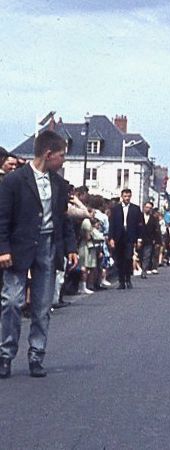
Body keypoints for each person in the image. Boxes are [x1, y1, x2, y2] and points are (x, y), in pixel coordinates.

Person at [0, 130, 79, 378]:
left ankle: (36, 354)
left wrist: (71, 247)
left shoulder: (59, 184)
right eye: (61, 155)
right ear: (48, 154)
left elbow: (63, 219)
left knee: (42, 305)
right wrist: (3, 249)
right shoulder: (14, 181)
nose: (64, 160)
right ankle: (5, 354)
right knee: (11, 301)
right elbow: (2, 218)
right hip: (20, 245)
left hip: (48, 245)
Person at [108, 188, 142, 289]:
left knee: (128, 258)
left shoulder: (135, 209)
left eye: (128, 196)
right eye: (125, 196)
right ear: (122, 197)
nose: (127, 198)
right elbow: (112, 224)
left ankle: (128, 279)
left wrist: (139, 238)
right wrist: (111, 238)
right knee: (119, 259)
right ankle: (121, 281)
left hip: (130, 237)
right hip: (119, 236)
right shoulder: (115, 209)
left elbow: (139, 225)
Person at [138, 202, 159, 279]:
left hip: (149, 240)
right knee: (140, 255)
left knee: (146, 256)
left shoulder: (153, 219)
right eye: (147, 207)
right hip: (139, 239)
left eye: (150, 208)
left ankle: (144, 271)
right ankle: (140, 267)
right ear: (144, 207)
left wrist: (157, 241)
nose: (148, 209)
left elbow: (156, 230)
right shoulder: (139, 216)